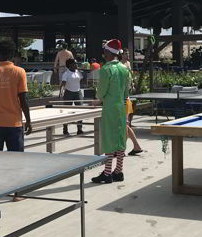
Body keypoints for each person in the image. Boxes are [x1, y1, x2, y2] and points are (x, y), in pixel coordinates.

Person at [0, 39, 32, 152]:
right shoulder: (20, 72)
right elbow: (23, 99)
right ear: (12, 54)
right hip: (14, 123)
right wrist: (28, 120)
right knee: (16, 160)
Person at [91, 39, 130, 183]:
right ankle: (118, 171)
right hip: (121, 107)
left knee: (108, 139)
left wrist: (97, 100)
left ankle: (107, 173)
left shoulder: (106, 69)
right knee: (120, 139)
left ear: (108, 52)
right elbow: (126, 92)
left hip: (110, 108)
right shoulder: (124, 69)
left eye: (104, 51)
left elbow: (101, 92)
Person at [119, 50, 143, 156]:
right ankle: (132, 147)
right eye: (126, 54)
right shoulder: (120, 65)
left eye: (128, 54)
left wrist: (132, 84)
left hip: (125, 98)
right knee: (125, 125)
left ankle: (128, 148)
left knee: (125, 125)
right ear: (121, 55)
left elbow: (130, 77)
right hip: (125, 97)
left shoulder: (126, 64)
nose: (128, 55)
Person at [60, 58, 84, 136]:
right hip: (68, 93)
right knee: (67, 112)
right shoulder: (66, 74)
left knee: (80, 111)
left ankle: (79, 129)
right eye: (75, 63)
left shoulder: (78, 72)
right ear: (70, 65)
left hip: (78, 92)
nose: (77, 65)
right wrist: (61, 91)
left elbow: (81, 80)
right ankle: (65, 129)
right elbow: (63, 84)